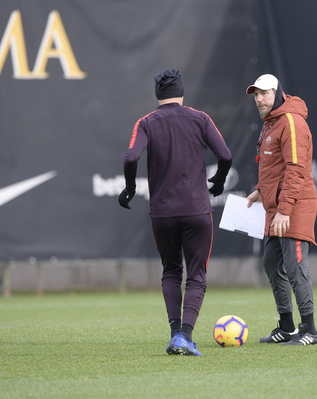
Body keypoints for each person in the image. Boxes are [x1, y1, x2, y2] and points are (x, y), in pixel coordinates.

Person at [118, 69, 232, 356]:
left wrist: (130, 188)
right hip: (196, 212)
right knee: (196, 275)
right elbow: (225, 155)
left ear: (157, 94)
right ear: (182, 91)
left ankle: (174, 334)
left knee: (170, 271)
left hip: (163, 214)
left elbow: (131, 156)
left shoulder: (145, 123)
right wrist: (218, 181)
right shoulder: (200, 118)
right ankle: (186, 336)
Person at [245, 74, 317, 346]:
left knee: (294, 265)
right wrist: (260, 191)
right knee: (271, 262)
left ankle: (310, 331)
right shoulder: (272, 123)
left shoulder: (290, 121)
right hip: (277, 207)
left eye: (264, 93)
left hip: (294, 206)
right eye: (256, 95)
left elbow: (296, 170)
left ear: (277, 93)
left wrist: (285, 210)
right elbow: (274, 167)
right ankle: (287, 326)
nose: (259, 99)